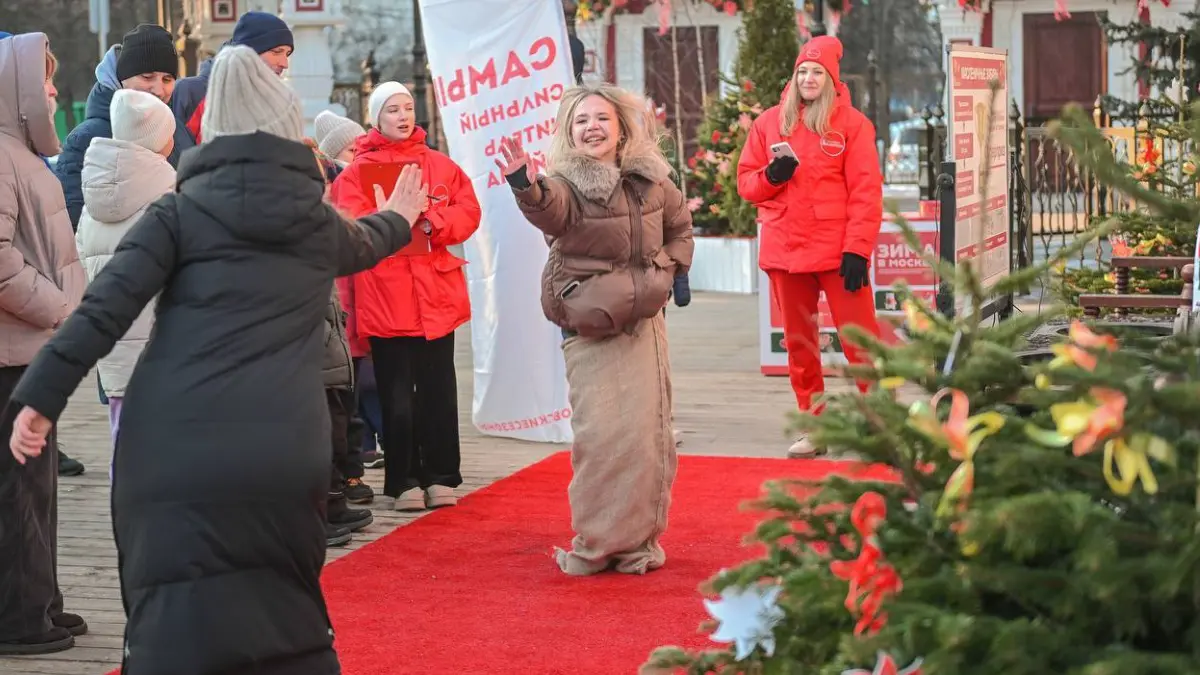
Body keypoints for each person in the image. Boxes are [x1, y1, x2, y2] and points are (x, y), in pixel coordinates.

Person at [7, 45, 424, 673]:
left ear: (207, 129)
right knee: (286, 601)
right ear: (289, 125)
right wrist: (401, 214)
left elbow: (104, 309)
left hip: (170, 440)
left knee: (170, 614)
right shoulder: (314, 221)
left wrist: (39, 396)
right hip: (282, 442)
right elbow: (367, 242)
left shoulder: (177, 212)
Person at [494, 83, 694, 576]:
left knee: (648, 438)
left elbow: (680, 227)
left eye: (601, 118)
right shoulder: (565, 182)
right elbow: (550, 209)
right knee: (603, 439)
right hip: (592, 327)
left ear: (621, 127)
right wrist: (525, 183)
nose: (592, 127)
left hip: (645, 324)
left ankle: (637, 543)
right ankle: (599, 541)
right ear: (568, 131)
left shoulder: (653, 178)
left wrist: (667, 272)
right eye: (581, 120)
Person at [332, 81, 480, 512]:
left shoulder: (440, 164)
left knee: (438, 388)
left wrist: (432, 220)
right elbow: (347, 224)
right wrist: (394, 218)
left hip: (436, 294)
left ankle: (441, 474)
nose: (403, 115)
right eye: (392, 109)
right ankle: (402, 480)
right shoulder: (357, 172)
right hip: (387, 294)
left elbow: (468, 210)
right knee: (396, 393)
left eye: (408, 107)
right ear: (375, 118)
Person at [736, 35, 884, 458]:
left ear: (832, 79)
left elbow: (866, 192)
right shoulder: (768, 124)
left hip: (839, 253)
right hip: (786, 250)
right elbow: (747, 184)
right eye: (802, 70)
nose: (808, 78)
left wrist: (858, 249)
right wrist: (772, 176)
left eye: (817, 71)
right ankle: (813, 425)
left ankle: (876, 422)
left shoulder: (853, 125)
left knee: (860, 340)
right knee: (800, 346)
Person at [0, 31, 88, 655]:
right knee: (17, 492)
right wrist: (60, 309)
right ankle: (18, 616)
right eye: (45, 80)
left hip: (33, 351)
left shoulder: (19, 153)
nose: (54, 90)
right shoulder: (1, 157)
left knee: (38, 488)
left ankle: (41, 602)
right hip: (12, 353)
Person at [76, 89, 177, 466]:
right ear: (158, 141)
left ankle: (126, 520)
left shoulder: (92, 205)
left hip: (115, 350)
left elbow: (81, 264)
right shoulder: (170, 197)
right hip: (164, 350)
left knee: (124, 444)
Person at [56, 24, 193, 229]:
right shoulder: (86, 140)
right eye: (147, 77)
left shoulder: (178, 132)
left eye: (167, 79)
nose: (158, 89)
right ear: (122, 78)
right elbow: (71, 224)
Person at [185, 11, 294, 142]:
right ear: (248, 53)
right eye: (276, 52)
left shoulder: (281, 104)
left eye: (287, 54)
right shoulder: (195, 95)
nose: (285, 63)